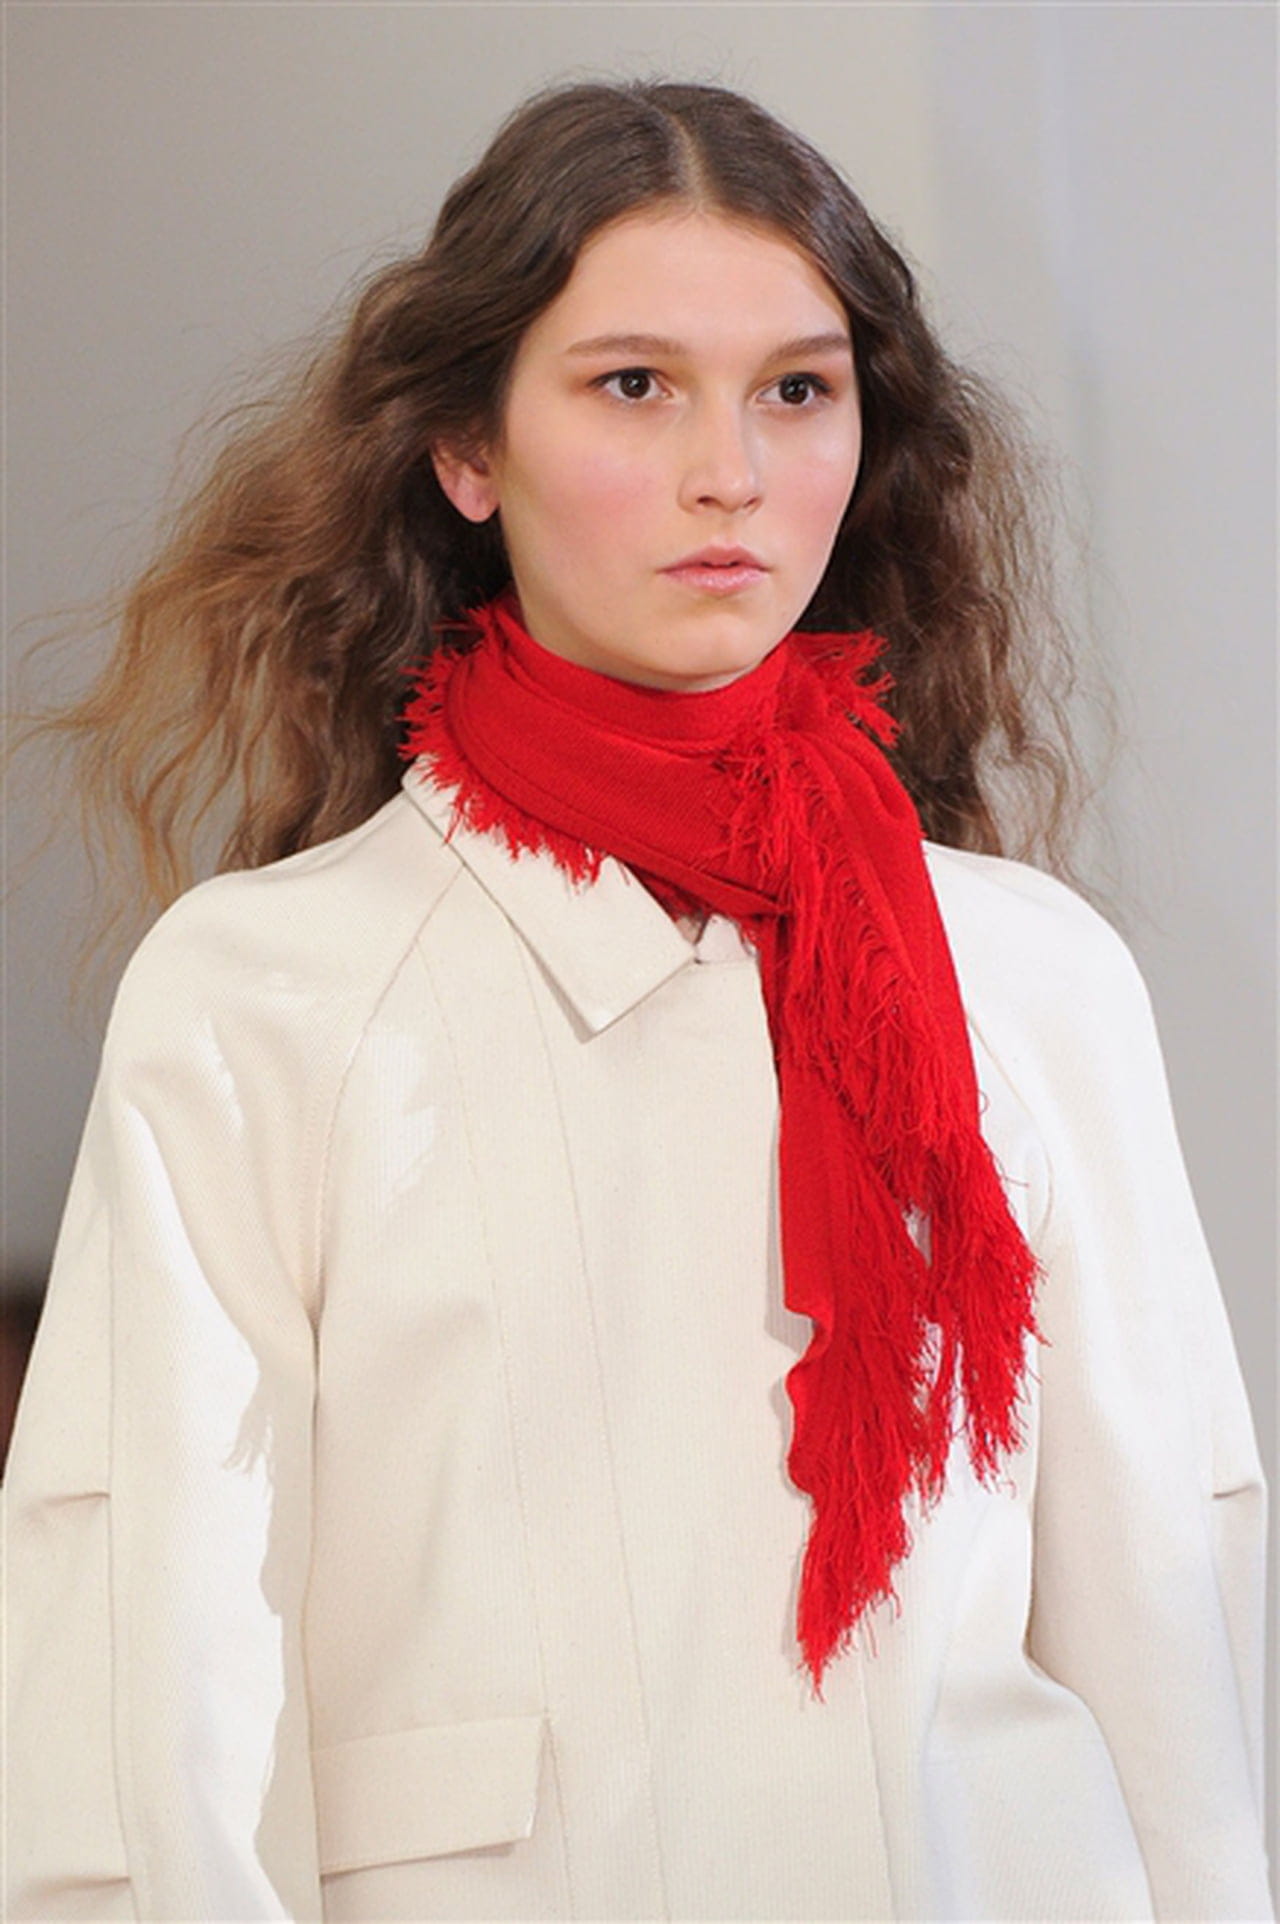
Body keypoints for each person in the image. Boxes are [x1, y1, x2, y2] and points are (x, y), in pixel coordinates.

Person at [4, 75, 1271, 1924]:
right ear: (466, 448)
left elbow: (1163, 1602)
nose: (728, 473)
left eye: (797, 390)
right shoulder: (265, 998)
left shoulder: (1034, 975)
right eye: (632, 385)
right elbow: (154, 1652)